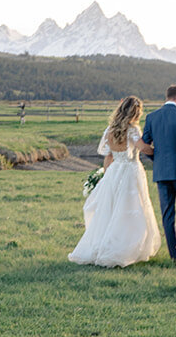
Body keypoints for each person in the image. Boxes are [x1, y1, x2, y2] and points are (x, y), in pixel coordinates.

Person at [69, 95, 161, 268]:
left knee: (111, 209)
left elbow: (109, 155)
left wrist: (105, 174)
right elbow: (143, 148)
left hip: (114, 171)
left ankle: (105, 244)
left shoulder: (110, 129)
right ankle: (123, 248)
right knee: (130, 209)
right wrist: (161, 150)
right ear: (135, 112)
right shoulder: (132, 129)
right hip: (131, 171)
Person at [142, 85, 176, 263]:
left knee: (167, 214)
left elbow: (144, 145)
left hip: (161, 172)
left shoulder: (151, 117)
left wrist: (158, 160)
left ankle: (174, 255)